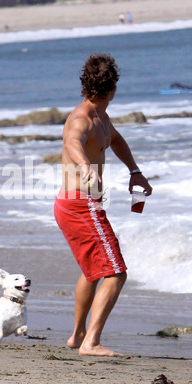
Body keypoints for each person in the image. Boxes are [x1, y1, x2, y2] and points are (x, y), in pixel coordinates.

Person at [54, 53, 152, 357]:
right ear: (113, 88)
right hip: (80, 205)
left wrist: (134, 171)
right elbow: (73, 141)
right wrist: (84, 165)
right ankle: (91, 343)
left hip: (74, 205)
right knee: (116, 272)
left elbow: (117, 140)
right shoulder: (83, 117)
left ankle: (77, 336)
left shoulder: (100, 115)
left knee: (94, 270)